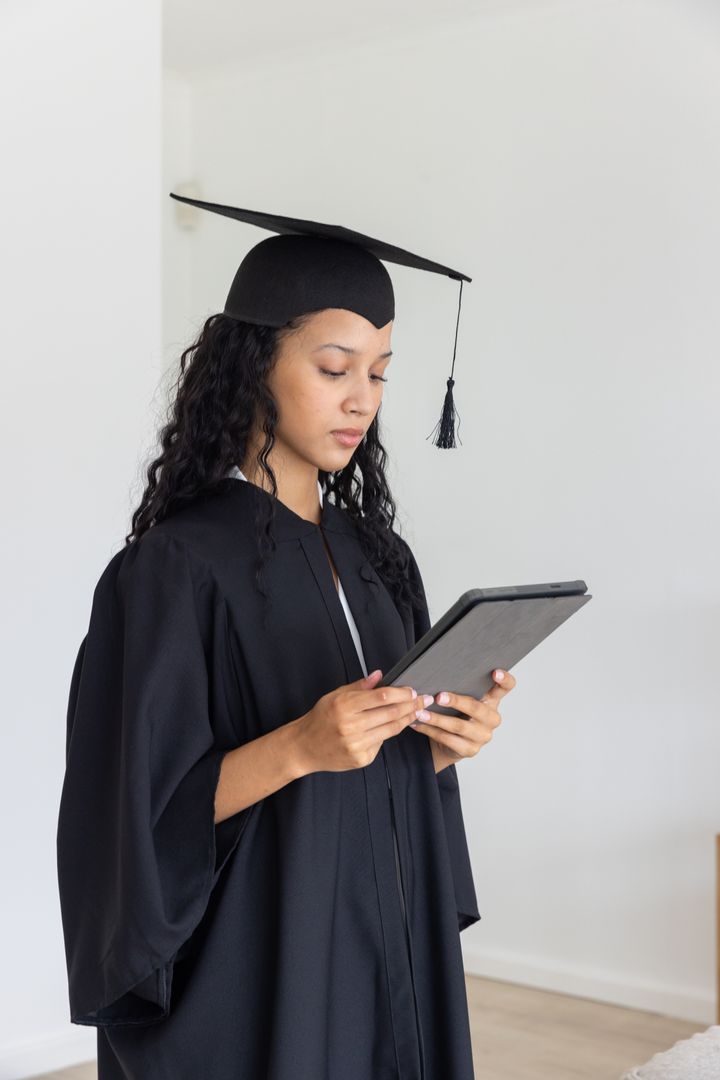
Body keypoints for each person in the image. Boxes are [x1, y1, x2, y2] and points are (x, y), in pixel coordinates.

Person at [56, 203, 516, 1080]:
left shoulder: (380, 556)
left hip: (384, 935)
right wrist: (302, 745)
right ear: (253, 361)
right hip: (264, 958)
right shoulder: (173, 568)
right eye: (335, 366)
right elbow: (131, 820)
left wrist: (448, 746)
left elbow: (388, 771)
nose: (362, 400)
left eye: (380, 373)